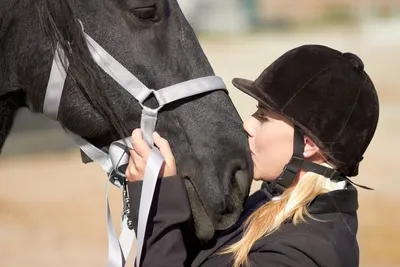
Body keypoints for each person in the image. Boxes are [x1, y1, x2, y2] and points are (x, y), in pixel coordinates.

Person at [125, 44, 379, 267]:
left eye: (263, 118)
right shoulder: (276, 202)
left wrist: (162, 207)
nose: (248, 124)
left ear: (309, 144)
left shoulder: (302, 255)